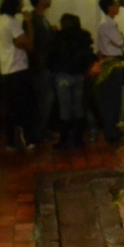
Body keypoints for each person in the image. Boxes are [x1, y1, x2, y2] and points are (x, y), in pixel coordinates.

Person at [47, 13, 96, 150]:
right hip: (78, 75)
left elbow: (50, 57)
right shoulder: (83, 36)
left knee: (64, 108)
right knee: (78, 107)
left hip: (62, 76)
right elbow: (88, 54)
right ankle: (78, 139)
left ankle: (64, 141)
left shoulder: (58, 37)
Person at [0, 0, 35, 151]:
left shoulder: (1, 20)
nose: (23, 5)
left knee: (10, 108)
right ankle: (24, 140)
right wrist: (28, 22)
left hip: (6, 68)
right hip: (17, 68)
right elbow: (27, 43)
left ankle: (10, 142)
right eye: (20, 2)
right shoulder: (11, 22)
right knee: (23, 107)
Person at [96, 0, 124, 144]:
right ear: (109, 7)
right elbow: (121, 42)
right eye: (115, 4)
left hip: (112, 61)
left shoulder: (109, 24)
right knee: (112, 98)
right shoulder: (107, 25)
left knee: (114, 98)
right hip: (112, 62)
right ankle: (111, 131)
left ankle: (113, 129)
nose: (118, 7)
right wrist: (122, 38)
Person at [27, 0, 56, 145]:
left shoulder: (43, 18)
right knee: (43, 100)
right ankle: (38, 133)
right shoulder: (32, 20)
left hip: (46, 64)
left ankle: (43, 131)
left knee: (47, 100)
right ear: (39, 0)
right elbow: (31, 45)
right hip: (39, 67)